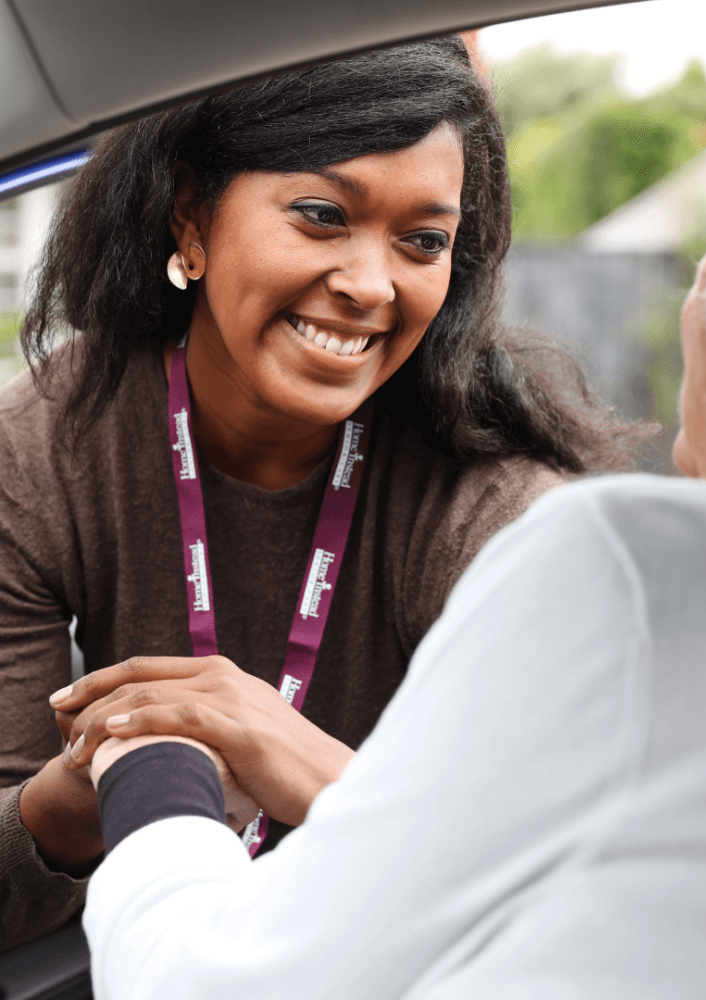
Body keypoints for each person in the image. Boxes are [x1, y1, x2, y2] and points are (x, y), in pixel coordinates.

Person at [63, 25, 706, 999]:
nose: (693, 295)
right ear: (189, 221)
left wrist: (155, 770)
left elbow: (219, 987)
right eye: (320, 215)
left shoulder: (636, 572)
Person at [0, 36, 649, 949]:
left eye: (423, 241)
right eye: (320, 215)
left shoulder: (498, 509)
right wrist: (79, 801)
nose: (372, 285)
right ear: (190, 216)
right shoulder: (42, 449)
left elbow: (575, 894)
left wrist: (290, 753)